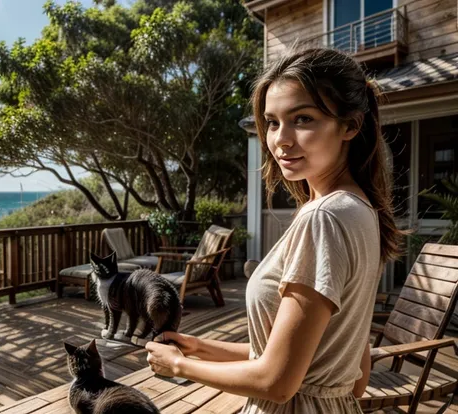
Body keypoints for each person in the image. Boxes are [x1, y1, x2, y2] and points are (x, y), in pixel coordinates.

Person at [146, 47, 403, 413]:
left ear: (350, 125)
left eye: (302, 119)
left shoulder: (324, 219)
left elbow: (277, 383)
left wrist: (178, 366)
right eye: (271, 122)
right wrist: (200, 347)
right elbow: (352, 376)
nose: (281, 139)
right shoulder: (361, 212)